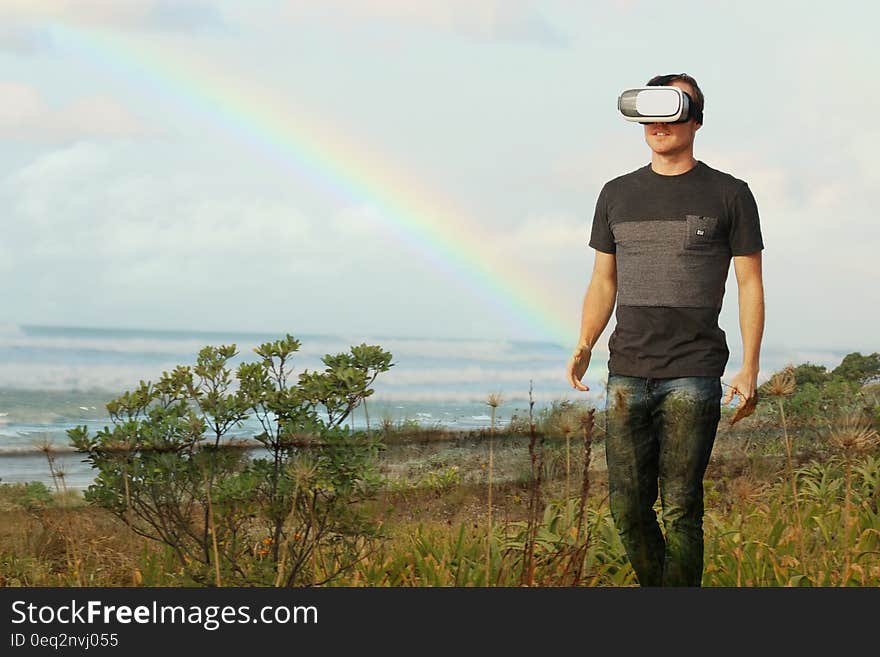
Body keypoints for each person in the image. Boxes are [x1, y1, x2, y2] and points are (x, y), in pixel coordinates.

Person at [566, 73, 765, 586]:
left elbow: (749, 284)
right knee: (627, 510)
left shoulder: (731, 194)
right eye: (649, 111)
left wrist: (749, 367)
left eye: (672, 109)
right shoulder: (615, 194)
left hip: (693, 372)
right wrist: (585, 342)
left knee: (679, 507)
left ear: (695, 118)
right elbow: (602, 279)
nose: (659, 122)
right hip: (627, 371)